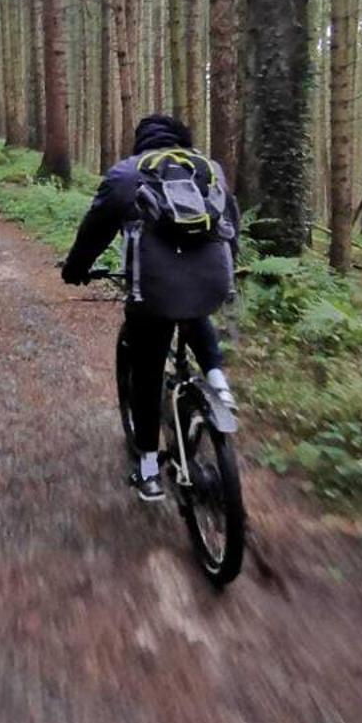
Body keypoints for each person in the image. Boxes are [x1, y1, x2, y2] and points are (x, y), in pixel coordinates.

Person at [61, 113, 238, 501]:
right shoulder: (209, 169)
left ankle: (147, 469)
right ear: (181, 138)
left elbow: (96, 228)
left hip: (153, 294)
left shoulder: (127, 175)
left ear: (141, 142)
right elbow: (230, 225)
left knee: (146, 372)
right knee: (196, 312)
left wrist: (76, 269)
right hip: (212, 281)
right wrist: (228, 277)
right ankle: (220, 385)